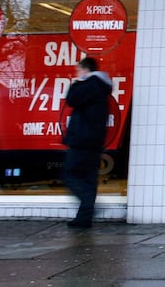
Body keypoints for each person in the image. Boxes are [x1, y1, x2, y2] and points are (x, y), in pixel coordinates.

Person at [63, 57, 112, 228]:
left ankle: (88, 206)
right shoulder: (101, 86)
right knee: (89, 178)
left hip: (82, 139)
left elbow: (71, 99)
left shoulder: (89, 85)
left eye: (78, 70)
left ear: (85, 69)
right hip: (95, 139)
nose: (77, 74)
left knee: (70, 175)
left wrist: (75, 83)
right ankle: (84, 218)